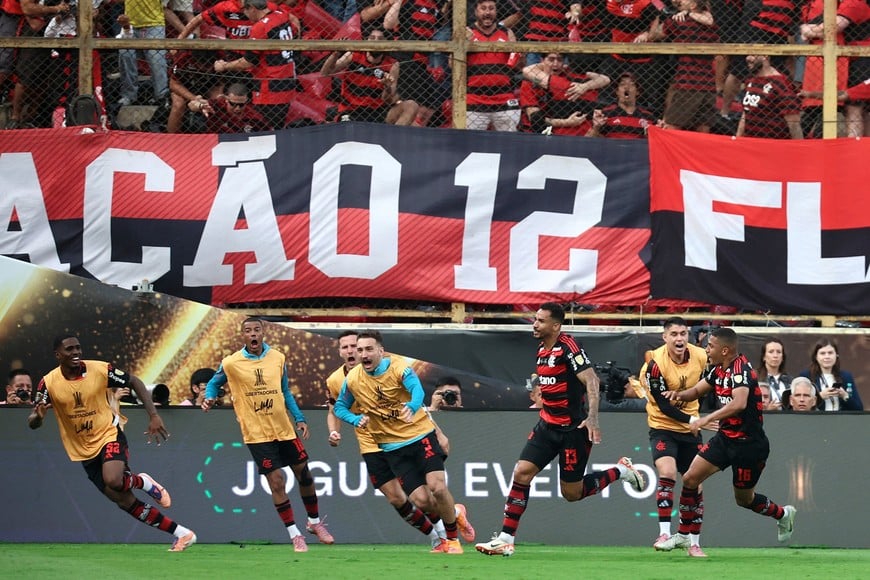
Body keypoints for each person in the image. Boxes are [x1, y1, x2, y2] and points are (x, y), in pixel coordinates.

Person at [474, 302, 645, 557]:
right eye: (535, 319)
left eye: (541, 321)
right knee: (521, 473)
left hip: (573, 430)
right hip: (547, 426)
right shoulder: (541, 350)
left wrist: (593, 418)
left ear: (555, 325)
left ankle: (620, 471)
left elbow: (592, 380)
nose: (535, 324)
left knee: (572, 493)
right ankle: (505, 539)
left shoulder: (569, 346)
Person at [27, 335, 197, 551]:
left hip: (109, 434)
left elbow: (134, 381)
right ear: (58, 355)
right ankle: (183, 534)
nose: (76, 352)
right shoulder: (48, 383)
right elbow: (33, 421)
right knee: (124, 501)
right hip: (83, 450)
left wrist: (153, 415)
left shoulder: (99, 369)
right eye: (69, 349)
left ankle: (142, 482)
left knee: (114, 480)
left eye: (78, 347)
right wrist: (39, 417)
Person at [654, 327, 796, 556]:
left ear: (725, 349)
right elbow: (697, 391)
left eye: (710, 346)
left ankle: (783, 514)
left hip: (750, 446)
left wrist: (706, 418)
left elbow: (739, 403)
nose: (706, 349)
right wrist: (677, 395)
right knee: (690, 478)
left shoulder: (741, 370)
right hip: (725, 440)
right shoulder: (718, 369)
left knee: (744, 499)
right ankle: (682, 535)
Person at [324, 331, 471, 549]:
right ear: (341, 352)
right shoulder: (345, 380)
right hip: (383, 444)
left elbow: (417, 392)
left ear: (380, 351)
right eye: (355, 349)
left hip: (419, 435)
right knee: (415, 501)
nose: (358, 352)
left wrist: (416, 410)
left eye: (365, 348)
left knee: (437, 487)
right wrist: (353, 421)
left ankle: (450, 540)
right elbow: (337, 408)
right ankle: (447, 523)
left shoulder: (398, 367)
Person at [202, 316, 334, 552]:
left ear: (263, 333)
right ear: (242, 335)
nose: (252, 334)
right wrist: (210, 397)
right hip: (256, 434)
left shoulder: (278, 358)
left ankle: (314, 523)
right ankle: (295, 535)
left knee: (304, 475)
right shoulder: (231, 362)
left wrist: (300, 418)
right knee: (276, 482)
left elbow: (285, 391)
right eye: (248, 331)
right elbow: (214, 383)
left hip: (284, 429)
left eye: (256, 330)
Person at [637, 316, 709, 555]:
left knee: (695, 485)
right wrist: (695, 420)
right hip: (663, 427)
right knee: (667, 472)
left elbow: (711, 385)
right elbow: (663, 405)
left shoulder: (700, 355)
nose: (680, 339)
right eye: (674, 334)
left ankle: (694, 543)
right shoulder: (654, 363)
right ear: (665, 337)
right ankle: (665, 532)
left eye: (683, 334)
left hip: (691, 431)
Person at [212, 0, 301, 130]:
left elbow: (249, 61)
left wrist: (225, 66)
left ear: (252, 8)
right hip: (286, 79)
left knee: (266, 128)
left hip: (269, 87)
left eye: (245, 11)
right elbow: (296, 26)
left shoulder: (260, 27)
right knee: (277, 126)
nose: (246, 16)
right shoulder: (280, 15)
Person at [637, 0, 719, 133]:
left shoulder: (680, 21)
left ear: (693, 5)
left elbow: (654, 35)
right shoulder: (713, 22)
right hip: (708, 84)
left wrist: (657, 17)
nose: (680, 1)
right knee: (702, 129)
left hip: (687, 83)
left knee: (671, 127)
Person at [319, 26, 419, 125]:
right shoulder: (354, 55)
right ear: (366, 40)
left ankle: (391, 139)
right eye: (372, 38)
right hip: (351, 110)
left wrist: (387, 87)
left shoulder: (392, 64)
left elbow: (388, 100)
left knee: (411, 106)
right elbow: (325, 73)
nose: (375, 42)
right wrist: (335, 53)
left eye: (380, 39)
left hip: (378, 112)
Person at [519, 52, 610, 136]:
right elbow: (536, 121)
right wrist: (567, 122)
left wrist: (585, 86)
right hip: (534, 129)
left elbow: (605, 79)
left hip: (557, 123)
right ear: (542, 60)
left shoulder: (567, 74)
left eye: (559, 60)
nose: (555, 64)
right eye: (551, 59)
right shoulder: (529, 82)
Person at [465, 0, 521, 131]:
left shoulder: (507, 33)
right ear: (476, 11)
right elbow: (452, 65)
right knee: (469, 143)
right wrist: (464, 44)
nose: (487, 12)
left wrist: (518, 54)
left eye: (491, 8)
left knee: (510, 142)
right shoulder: (467, 32)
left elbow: (517, 66)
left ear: (496, 12)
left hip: (504, 97)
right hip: (474, 99)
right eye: (483, 8)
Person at [116, 1, 170, 107]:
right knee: (125, 55)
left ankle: (161, 96)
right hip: (129, 24)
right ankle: (129, 95)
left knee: (156, 60)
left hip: (154, 24)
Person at [737, 54, 803, 139]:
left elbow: (793, 122)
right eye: (747, 54)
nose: (747, 58)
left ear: (765, 56)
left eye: (753, 54)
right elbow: (746, 112)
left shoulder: (780, 83)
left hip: (774, 143)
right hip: (751, 142)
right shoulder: (751, 81)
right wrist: (738, 139)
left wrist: (798, 148)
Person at [586, 72, 658, 139]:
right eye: (622, 84)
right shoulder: (605, 114)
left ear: (637, 92)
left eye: (631, 84)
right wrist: (596, 128)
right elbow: (589, 139)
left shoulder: (649, 117)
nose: (627, 87)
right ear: (617, 91)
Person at [799, 339, 864, 412]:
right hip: (815, 420)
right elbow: (799, 406)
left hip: (841, 421)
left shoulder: (846, 376)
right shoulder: (806, 376)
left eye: (830, 353)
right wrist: (820, 397)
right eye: (822, 353)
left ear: (836, 355)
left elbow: (859, 408)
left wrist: (845, 395)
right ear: (816, 357)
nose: (827, 357)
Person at [199, 82, 272, 133]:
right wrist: (200, 106)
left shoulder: (255, 117)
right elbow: (192, 104)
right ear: (226, 99)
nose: (237, 108)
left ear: (246, 101)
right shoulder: (215, 105)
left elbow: (270, 132)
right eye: (233, 104)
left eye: (241, 105)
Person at [756, 338, 790, 408]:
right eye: (771, 352)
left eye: (779, 352)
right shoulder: (754, 377)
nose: (775, 356)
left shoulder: (789, 380)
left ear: (783, 357)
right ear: (764, 357)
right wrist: (768, 411)